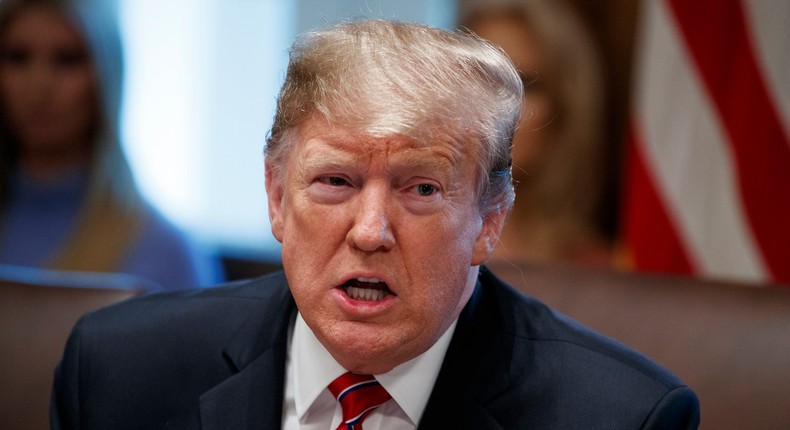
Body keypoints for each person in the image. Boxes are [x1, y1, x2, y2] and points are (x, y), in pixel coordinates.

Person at [51, 19, 699, 429]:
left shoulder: (620, 416)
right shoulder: (117, 371)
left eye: (420, 189)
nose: (369, 231)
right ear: (277, 196)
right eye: (335, 181)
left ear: (488, 221)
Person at [0, 0, 222, 290]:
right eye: (18, 58)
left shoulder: (164, 253)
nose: (40, 84)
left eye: (67, 59)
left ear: (107, 74)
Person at [460, 0, 613, 266]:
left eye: (526, 85)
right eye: (480, 79)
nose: (498, 106)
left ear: (565, 110)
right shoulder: (394, 238)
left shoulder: (595, 268)